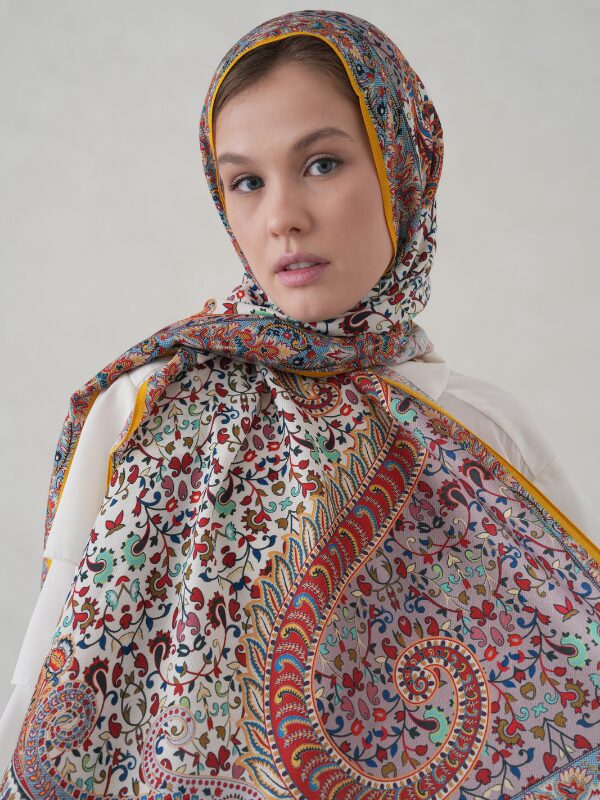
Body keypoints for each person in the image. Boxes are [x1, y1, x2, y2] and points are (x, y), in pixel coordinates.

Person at [1, 9, 598, 799]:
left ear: (402, 167)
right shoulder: (147, 408)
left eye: (321, 164)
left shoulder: (485, 431)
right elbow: (47, 692)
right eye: (246, 182)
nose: (282, 216)